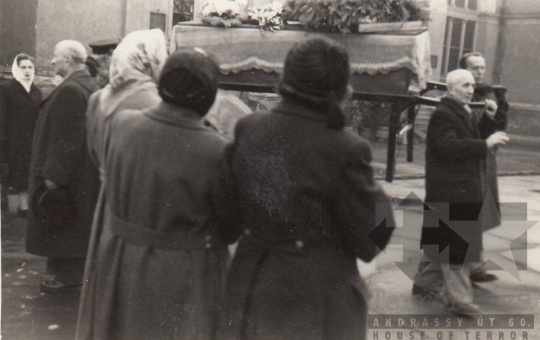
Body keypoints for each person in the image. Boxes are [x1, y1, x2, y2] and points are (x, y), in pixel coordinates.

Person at [218, 37, 396, 340]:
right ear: (342, 90)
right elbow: (374, 234)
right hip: (315, 297)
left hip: (251, 284)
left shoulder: (249, 128)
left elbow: (228, 217)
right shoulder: (344, 147)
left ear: (285, 79)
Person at [76, 48, 239, 340]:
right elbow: (229, 229)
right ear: (207, 94)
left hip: (122, 264)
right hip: (187, 274)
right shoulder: (216, 149)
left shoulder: (122, 124)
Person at [77, 28, 168, 339]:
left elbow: (93, 153)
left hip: (107, 200)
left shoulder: (96, 100)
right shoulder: (154, 102)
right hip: (140, 204)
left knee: (104, 281)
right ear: (150, 60)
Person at [412, 69, 509, 314]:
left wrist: (488, 119)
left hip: (454, 189)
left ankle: (425, 282)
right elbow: (449, 147)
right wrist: (485, 144)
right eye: (465, 86)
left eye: (472, 86)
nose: (470, 90)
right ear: (450, 88)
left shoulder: (457, 111)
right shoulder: (443, 115)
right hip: (451, 190)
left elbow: (470, 137)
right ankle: (459, 299)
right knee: (456, 248)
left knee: (440, 242)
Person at [26, 40, 99, 293]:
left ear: (68, 60)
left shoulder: (70, 90)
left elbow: (66, 139)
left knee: (61, 224)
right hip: (80, 178)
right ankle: (67, 274)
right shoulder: (85, 86)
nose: (52, 61)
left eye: (56, 57)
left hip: (65, 178)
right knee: (71, 225)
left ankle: (65, 277)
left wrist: (53, 177)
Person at [459, 52, 509, 283]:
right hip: (470, 160)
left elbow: (498, 128)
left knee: (481, 212)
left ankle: (474, 266)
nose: (479, 72)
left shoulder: (489, 94)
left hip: (486, 160)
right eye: (474, 68)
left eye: (482, 67)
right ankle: (468, 267)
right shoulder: (460, 96)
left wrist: (501, 109)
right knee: (467, 214)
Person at [0, 54, 43, 216]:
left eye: (30, 67)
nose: (26, 71)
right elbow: (2, 116)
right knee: (7, 172)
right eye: (23, 67)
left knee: (25, 172)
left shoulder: (36, 91)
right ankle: (4, 203)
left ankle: (23, 207)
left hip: (29, 140)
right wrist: (2, 140)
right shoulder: (7, 89)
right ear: (17, 69)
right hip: (11, 140)